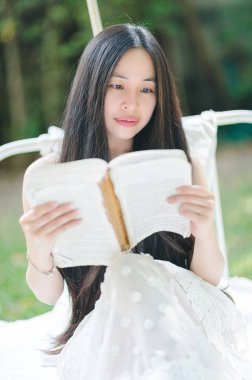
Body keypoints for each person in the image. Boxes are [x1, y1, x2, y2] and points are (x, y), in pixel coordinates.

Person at [19, 24, 251, 379]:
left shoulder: (181, 164)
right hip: (106, 325)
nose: (133, 103)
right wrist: (39, 250)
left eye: (147, 89)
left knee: (137, 274)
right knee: (127, 279)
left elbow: (209, 276)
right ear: (92, 87)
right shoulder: (48, 175)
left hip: (182, 311)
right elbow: (49, 296)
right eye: (117, 85)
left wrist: (204, 231)